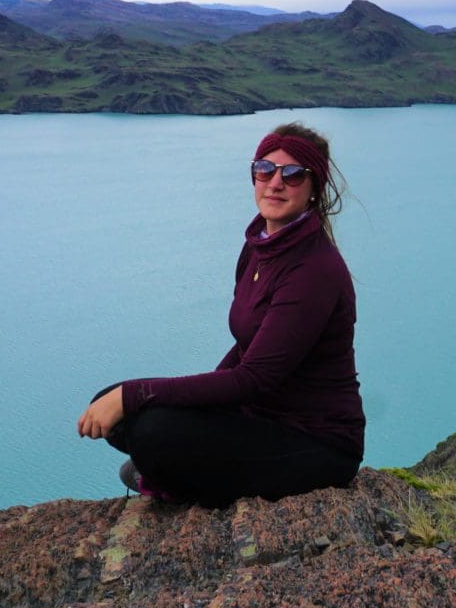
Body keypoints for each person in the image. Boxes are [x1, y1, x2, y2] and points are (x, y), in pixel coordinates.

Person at [75, 123, 364, 506]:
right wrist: (138, 398)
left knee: (150, 426)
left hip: (317, 444)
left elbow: (253, 378)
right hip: (262, 417)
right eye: (265, 169)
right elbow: (244, 350)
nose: (275, 182)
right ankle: (178, 467)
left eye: (293, 174)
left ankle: (182, 478)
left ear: (314, 190)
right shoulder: (259, 247)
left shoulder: (313, 270)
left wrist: (137, 393)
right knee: (114, 403)